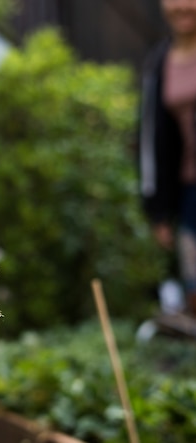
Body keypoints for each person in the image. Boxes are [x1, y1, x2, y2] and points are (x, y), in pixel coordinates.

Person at [138, 0, 196, 315]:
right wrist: (158, 209)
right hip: (190, 192)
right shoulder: (160, 62)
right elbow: (152, 139)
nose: (182, 5)